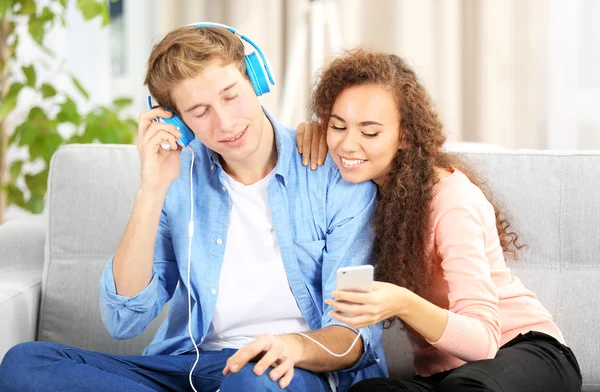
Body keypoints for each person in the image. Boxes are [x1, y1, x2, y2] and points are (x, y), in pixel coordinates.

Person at [0, 25, 388, 392]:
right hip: (190, 367)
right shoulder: (177, 181)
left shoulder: (335, 177)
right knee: (25, 364)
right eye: (199, 112)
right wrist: (151, 189)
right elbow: (124, 318)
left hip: (287, 369)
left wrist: (291, 346)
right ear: (178, 121)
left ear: (256, 79)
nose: (225, 122)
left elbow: (353, 338)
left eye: (231, 95)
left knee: (253, 381)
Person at [296, 47, 582, 392]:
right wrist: (309, 133)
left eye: (369, 133)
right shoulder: (359, 189)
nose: (347, 145)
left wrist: (401, 301)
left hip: (526, 352)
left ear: (404, 135)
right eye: (337, 126)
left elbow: (483, 342)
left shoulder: (452, 201)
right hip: (443, 377)